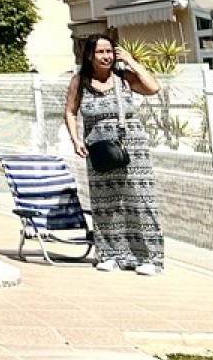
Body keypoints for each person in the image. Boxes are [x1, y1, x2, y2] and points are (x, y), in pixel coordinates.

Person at [64, 35, 164, 275]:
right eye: (100, 52)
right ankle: (111, 255)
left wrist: (130, 61)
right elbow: (70, 111)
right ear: (90, 55)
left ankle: (150, 259)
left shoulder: (123, 78)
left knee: (141, 202)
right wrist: (76, 140)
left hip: (132, 149)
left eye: (109, 51)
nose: (106, 56)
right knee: (105, 204)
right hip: (98, 150)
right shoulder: (80, 81)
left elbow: (153, 88)